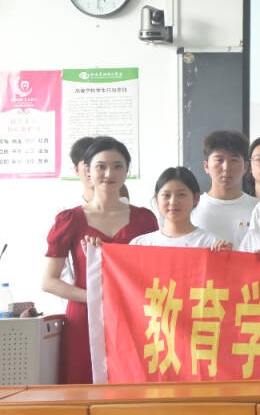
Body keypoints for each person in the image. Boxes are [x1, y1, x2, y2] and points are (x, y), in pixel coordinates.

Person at [43, 136, 158, 384]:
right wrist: (95, 297)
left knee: (132, 387)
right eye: (101, 166)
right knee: (82, 386)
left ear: (127, 170)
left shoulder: (145, 219)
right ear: (87, 170)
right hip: (84, 318)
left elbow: (156, 272)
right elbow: (49, 281)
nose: (109, 173)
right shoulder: (70, 219)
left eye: (117, 166)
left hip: (133, 316)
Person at [130, 167, 230, 249]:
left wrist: (226, 257)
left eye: (181, 194)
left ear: (195, 198)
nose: (173, 202)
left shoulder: (211, 244)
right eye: (166, 195)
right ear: (157, 200)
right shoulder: (140, 245)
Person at [190, 130, 258, 248]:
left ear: (246, 167)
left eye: (234, 160)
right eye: (219, 160)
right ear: (206, 166)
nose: (226, 167)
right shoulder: (192, 208)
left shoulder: (259, 208)